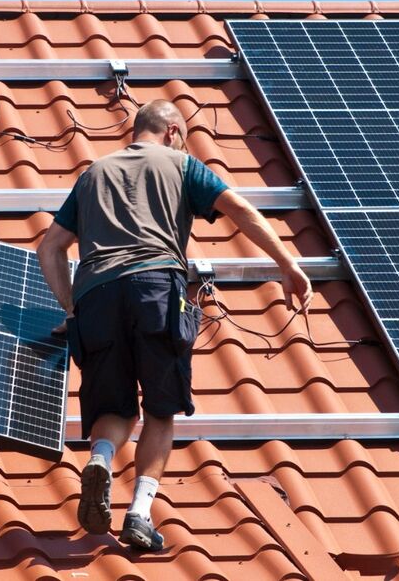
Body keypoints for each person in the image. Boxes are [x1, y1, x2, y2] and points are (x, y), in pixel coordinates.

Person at [36, 99, 312, 552]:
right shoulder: (182, 164)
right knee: (160, 409)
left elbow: (50, 249)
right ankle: (140, 514)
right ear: (171, 131)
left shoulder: (92, 175)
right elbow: (239, 209)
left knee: (115, 408)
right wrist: (287, 263)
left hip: (96, 297)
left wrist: (72, 311)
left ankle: (102, 459)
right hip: (156, 288)